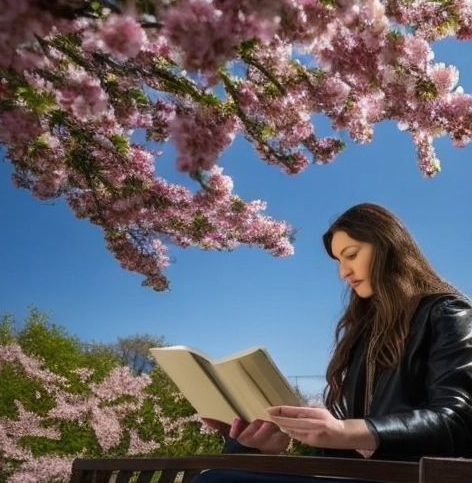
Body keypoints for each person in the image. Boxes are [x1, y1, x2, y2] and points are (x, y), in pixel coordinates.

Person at [194, 203, 472, 483]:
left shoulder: (447, 313)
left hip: (411, 478)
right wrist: (269, 440)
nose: (344, 272)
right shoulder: (364, 333)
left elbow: (458, 420)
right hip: (359, 476)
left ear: (388, 246)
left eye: (351, 255)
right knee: (219, 475)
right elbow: (352, 443)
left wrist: (343, 431)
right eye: (339, 260)